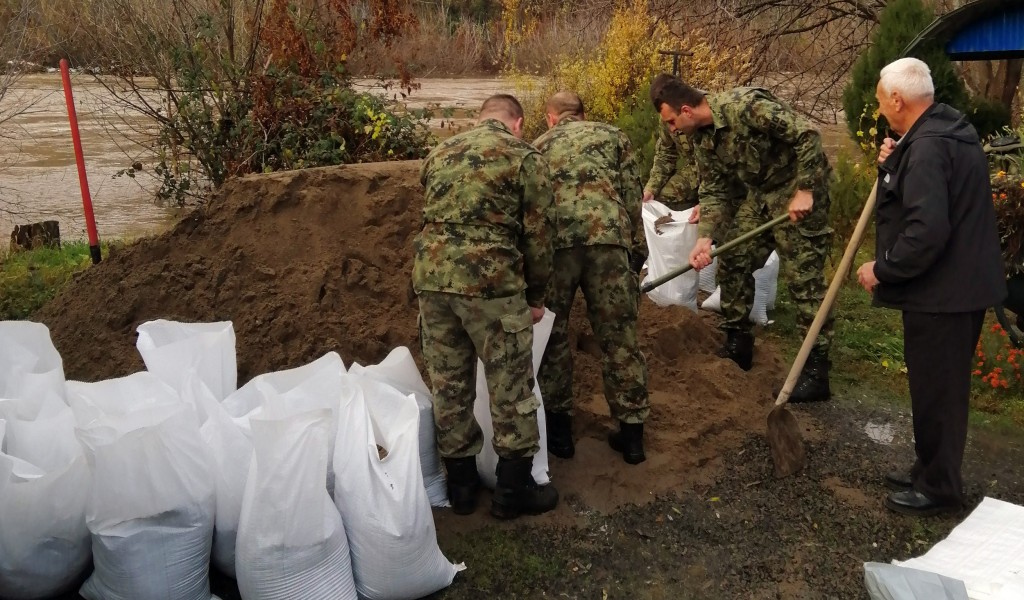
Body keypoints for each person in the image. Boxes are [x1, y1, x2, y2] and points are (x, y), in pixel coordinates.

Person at [855, 58, 1005, 517]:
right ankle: (929, 467)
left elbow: (925, 231)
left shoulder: (926, 149)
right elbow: (926, 192)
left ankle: (939, 488)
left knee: (938, 392)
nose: (881, 110)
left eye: (882, 102)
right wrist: (894, 159)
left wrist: (882, 270)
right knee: (934, 388)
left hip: (945, 292)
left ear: (898, 99)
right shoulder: (943, 133)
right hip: (957, 287)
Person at [413, 94, 559, 520]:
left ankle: (461, 488)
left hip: (433, 280)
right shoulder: (524, 156)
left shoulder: (438, 153)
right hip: (492, 286)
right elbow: (539, 236)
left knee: (450, 385)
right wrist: (536, 297)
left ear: (480, 119)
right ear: (518, 123)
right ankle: (513, 491)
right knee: (511, 385)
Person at [649, 74, 834, 402]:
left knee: (804, 281)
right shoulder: (702, 139)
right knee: (734, 258)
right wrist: (704, 238)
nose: (672, 129)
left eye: (672, 121)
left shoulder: (746, 108)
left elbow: (807, 135)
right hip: (761, 196)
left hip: (798, 189)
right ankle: (739, 343)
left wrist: (806, 190)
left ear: (687, 110)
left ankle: (817, 371)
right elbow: (714, 189)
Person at [532, 92, 650, 464]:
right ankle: (632, 437)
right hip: (609, 242)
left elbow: (533, 206)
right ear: (584, 114)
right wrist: (637, 254)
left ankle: (560, 436)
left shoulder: (537, 147)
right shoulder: (614, 136)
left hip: (559, 246)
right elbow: (633, 198)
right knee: (619, 337)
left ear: (551, 118)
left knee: (554, 335)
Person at [644, 123, 702, 215]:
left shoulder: (706, 117)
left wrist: (707, 203)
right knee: (662, 199)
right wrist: (651, 188)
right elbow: (666, 155)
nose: (672, 128)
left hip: (723, 173)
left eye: (673, 121)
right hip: (695, 171)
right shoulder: (666, 115)